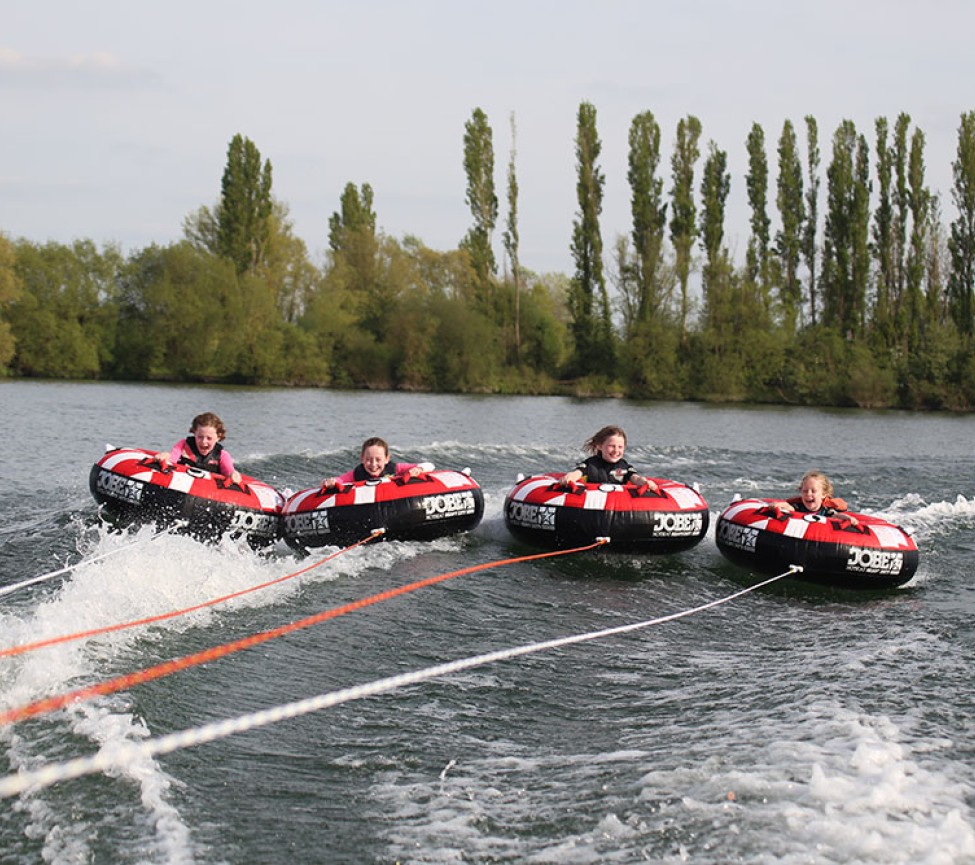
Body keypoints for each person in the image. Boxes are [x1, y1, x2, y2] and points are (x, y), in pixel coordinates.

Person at [558, 425, 657, 492]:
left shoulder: (625, 467)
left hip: (619, 505)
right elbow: (577, 473)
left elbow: (636, 478)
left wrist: (646, 482)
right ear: (599, 446)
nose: (616, 451)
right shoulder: (590, 464)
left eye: (620, 447)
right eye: (612, 446)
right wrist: (568, 478)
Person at [156, 411, 242, 485]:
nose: (204, 442)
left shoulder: (222, 455)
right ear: (194, 433)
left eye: (209, 438)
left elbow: (229, 471)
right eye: (200, 437)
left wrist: (233, 474)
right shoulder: (183, 445)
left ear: (218, 437)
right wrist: (165, 456)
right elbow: (172, 458)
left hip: (208, 490)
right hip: (181, 482)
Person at [321, 437, 434, 489]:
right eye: (369, 459)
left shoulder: (395, 468)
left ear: (387, 459)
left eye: (378, 459)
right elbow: (340, 480)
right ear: (362, 459)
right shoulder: (356, 474)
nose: (373, 464)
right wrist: (331, 482)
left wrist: (418, 469)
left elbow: (430, 465)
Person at [775, 470, 856, 522]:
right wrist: (775, 505)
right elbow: (788, 507)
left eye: (813, 491)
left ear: (823, 494)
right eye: (805, 491)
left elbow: (836, 516)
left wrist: (848, 518)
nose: (808, 494)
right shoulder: (798, 506)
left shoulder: (826, 510)